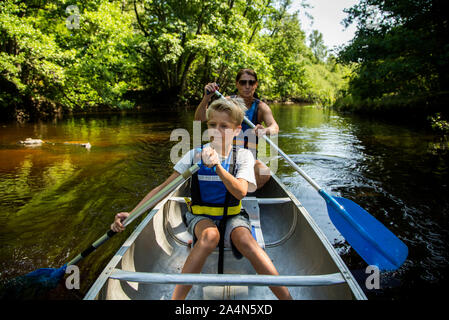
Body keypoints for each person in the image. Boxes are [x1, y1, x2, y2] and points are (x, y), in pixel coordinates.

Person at [111, 97, 292, 300]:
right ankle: (176, 300)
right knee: (210, 236)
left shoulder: (243, 156)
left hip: (233, 215)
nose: (217, 130)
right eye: (212, 125)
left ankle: (286, 298)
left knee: (246, 241)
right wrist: (132, 213)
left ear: (237, 130)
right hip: (200, 217)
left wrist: (218, 167)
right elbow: (164, 189)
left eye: (224, 126)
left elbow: (241, 192)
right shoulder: (193, 156)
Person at [194, 68, 279, 190]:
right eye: (243, 82)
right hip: (221, 153)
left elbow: (275, 127)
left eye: (251, 83)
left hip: (247, 157)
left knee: (264, 173)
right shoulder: (226, 102)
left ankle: (237, 194)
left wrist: (265, 130)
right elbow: (199, 119)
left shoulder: (261, 107)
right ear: (237, 84)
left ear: (256, 85)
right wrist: (207, 98)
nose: (247, 86)